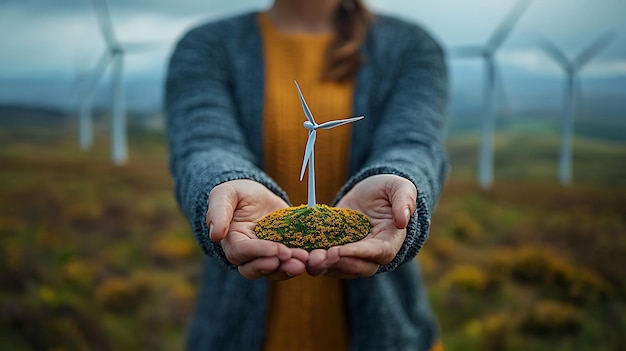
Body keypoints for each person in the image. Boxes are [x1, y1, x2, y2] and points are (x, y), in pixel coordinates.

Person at [165, 0, 448, 350]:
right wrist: (223, 182)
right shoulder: (208, 45)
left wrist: (400, 179)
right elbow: (203, 142)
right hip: (234, 333)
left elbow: (414, 142)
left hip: (390, 334)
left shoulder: (411, 46)